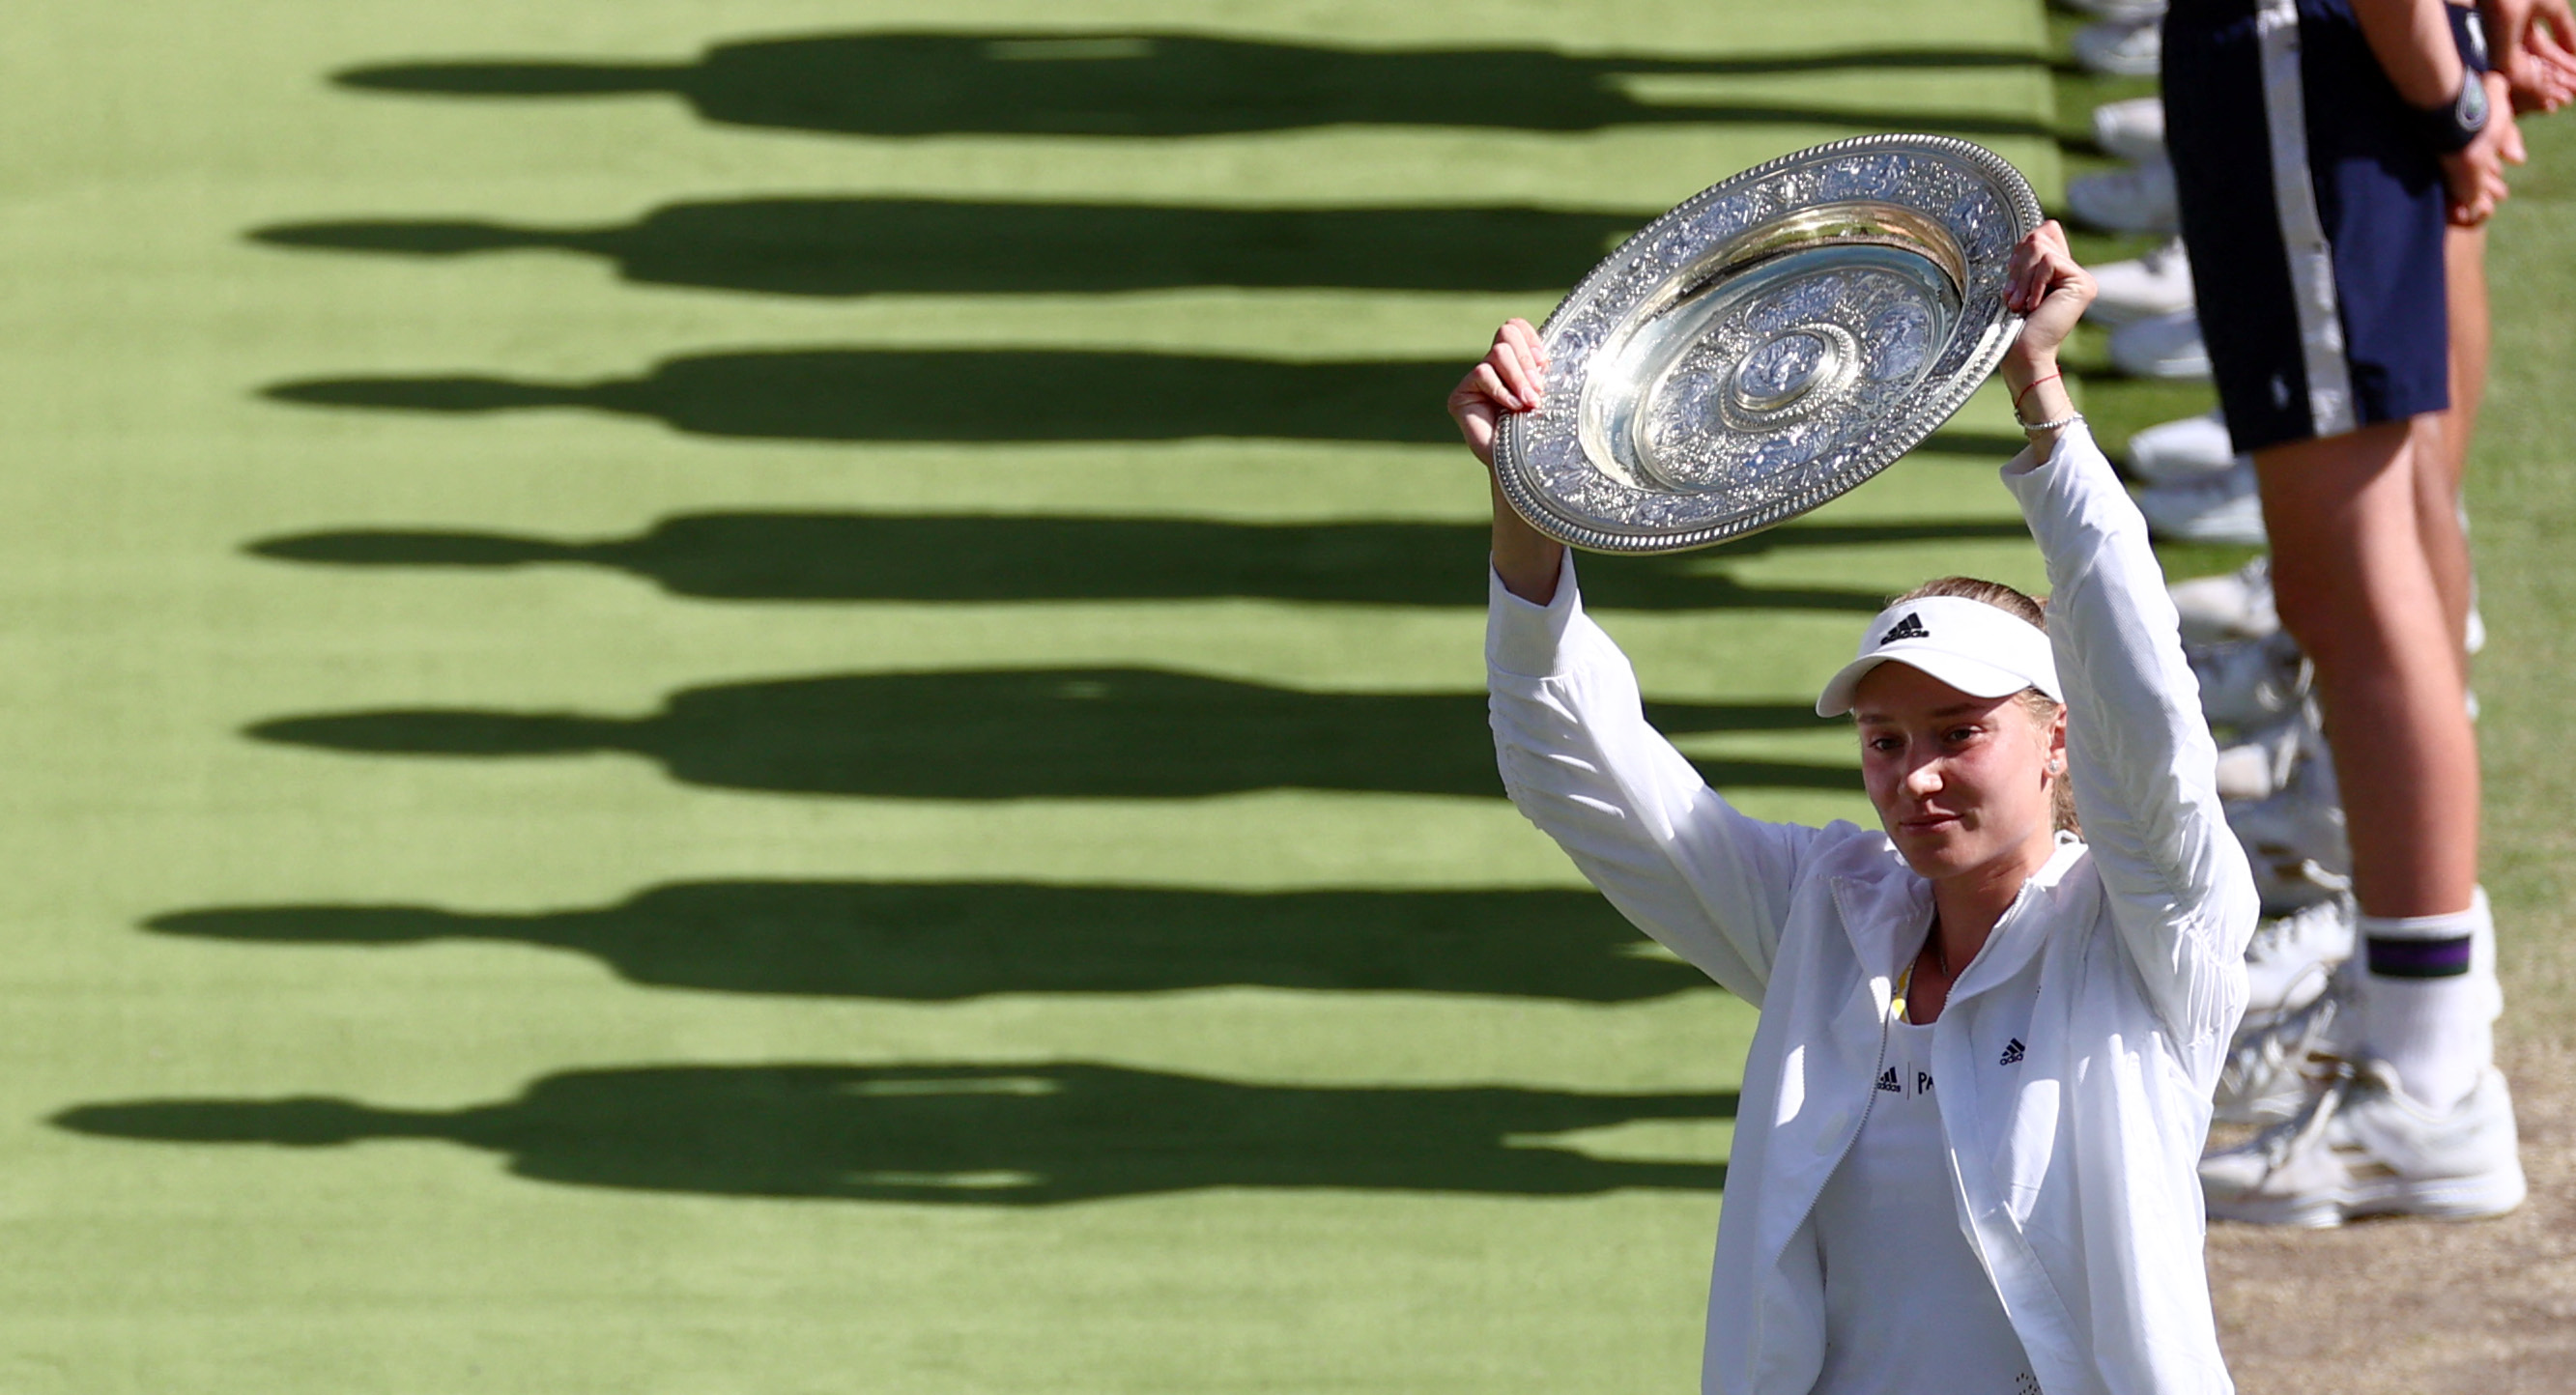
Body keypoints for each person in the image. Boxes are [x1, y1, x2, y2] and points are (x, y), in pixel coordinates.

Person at [1450, 226, 2258, 1393]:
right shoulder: (1822, 914)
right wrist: (1525, 496)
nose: (1912, 776)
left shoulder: (2152, 929)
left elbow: (2150, 711)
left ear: (2058, 737)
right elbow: (1572, 766)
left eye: (1958, 733)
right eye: (1884, 741)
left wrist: (2040, 396)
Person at [2158, 0, 2565, 1224]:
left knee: (2350, 573)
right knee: (2389, 527)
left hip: (2310, 54)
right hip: (2353, 54)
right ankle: (2416, 990)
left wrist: (2446, 90)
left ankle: (2427, 1075)